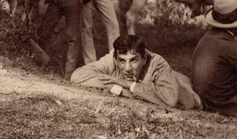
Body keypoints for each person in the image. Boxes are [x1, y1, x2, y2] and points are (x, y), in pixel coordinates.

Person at [71, 35, 202, 110]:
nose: (127, 68)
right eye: (122, 61)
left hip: (187, 92)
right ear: (116, 59)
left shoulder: (157, 63)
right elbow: (78, 75)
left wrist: (129, 85)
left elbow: (170, 99)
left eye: (133, 61)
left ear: (144, 59)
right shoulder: (113, 59)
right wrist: (120, 90)